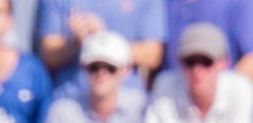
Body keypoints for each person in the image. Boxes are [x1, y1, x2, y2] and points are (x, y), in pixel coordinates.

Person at [35, 0, 165, 90]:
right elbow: (49, 56)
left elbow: (153, 56)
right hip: (72, 98)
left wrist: (105, 39)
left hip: (126, 98)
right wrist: (74, 43)